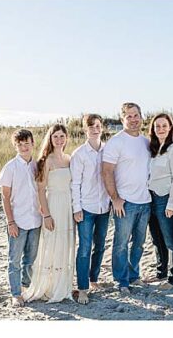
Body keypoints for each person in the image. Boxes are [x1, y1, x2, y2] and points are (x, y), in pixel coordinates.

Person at [102, 102, 152, 294]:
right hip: (125, 202)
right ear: (122, 119)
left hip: (145, 201)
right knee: (121, 243)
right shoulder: (116, 141)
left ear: (141, 117)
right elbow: (106, 171)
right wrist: (115, 198)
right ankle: (121, 281)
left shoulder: (145, 141)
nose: (133, 119)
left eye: (136, 115)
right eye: (128, 116)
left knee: (139, 243)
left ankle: (133, 275)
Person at [22, 124, 75, 303]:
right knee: (53, 244)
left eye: (62, 136)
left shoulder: (69, 158)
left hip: (68, 205)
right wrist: (46, 215)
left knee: (65, 245)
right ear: (50, 139)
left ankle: (63, 285)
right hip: (53, 204)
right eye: (55, 137)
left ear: (66, 138)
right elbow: (41, 190)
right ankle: (50, 287)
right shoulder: (46, 160)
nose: (59, 140)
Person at [70, 114, 112, 304]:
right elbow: (75, 183)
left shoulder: (108, 150)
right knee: (85, 248)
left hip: (104, 207)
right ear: (85, 129)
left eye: (98, 125)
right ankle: (83, 288)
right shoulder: (79, 154)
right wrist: (76, 208)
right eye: (91, 126)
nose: (95, 129)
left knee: (100, 246)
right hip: (86, 208)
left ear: (101, 128)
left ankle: (93, 278)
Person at [0, 128, 42, 308]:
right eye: (20, 144)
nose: (24, 147)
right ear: (15, 146)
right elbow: (5, 197)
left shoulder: (38, 165)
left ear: (33, 144)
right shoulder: (10, 168)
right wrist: (11, 222)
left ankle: (26, 287)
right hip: (18, 221)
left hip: (36, 220)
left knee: (30, 259)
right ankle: (16, 294)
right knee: (14, 260)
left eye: (27, 143)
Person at [146, 113, 173, 290]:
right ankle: (161, 272)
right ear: (153, 130)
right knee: (157, 240)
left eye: (164, 125)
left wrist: (172, 204)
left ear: (170, 128)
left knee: (172, 241)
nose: (161, 129)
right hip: (151, 198)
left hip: (167, 198)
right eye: (157, 126)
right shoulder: (153, 150)